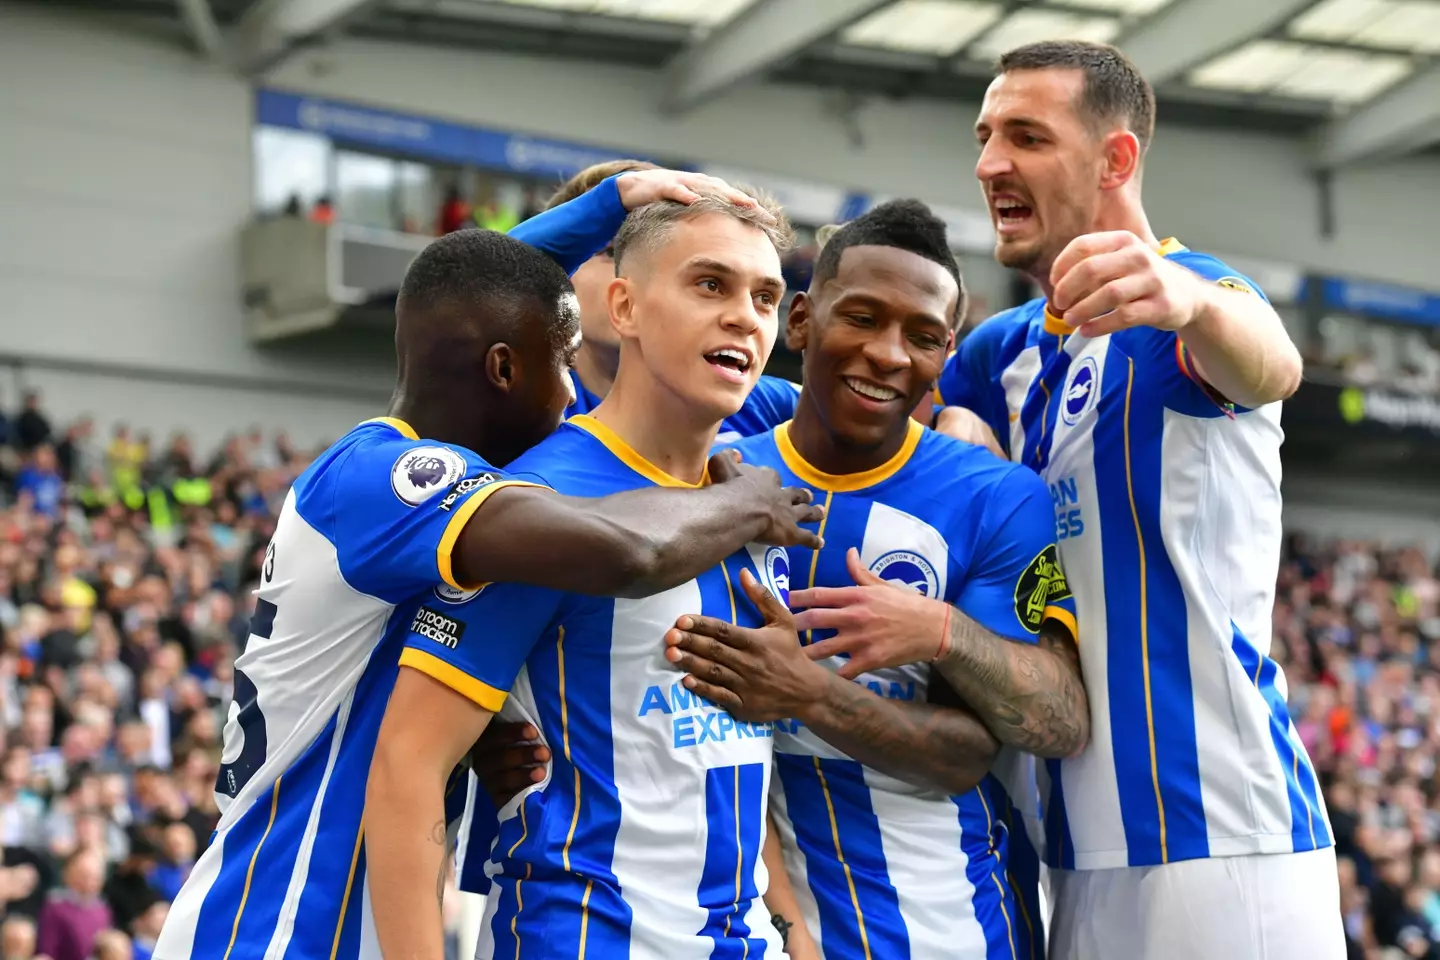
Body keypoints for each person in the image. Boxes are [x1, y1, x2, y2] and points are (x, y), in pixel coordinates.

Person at [152, 170, 825, 960]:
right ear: (504, 368)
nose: (573, 388)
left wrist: (612, 205)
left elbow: (465, 289)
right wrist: (751, 505)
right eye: (562, 360)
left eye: (765, 297)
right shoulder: (385, 479)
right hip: (274, 924)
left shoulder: (501, 475)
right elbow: (628, 548)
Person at [907, 40, 1331, 958]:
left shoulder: (1186, 306)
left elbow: (1273, 362)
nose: (989, 163)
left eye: (1026, 136)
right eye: (984, 137)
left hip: (1218, 844)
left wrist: (1194, 301)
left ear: (1116, 160)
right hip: (1062, 854)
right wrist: (957, 431)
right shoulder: (1003, 352)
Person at [364, 181, 802, 959]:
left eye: (765, 297)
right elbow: (406, 764)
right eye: (710, 284)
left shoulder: (749, 498)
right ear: (624, 308)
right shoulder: (536, 506)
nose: (745, 315)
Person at [661, 199, 1086, 959]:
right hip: (749, 931)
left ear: (944, 356)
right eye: (861, 317)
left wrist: (930, 639)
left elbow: (996, 744)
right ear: (800, 322)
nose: (890, 354)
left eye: (922, 336)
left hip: (947, 932)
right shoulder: (709, 477)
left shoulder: (994, 497)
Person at [539, 160, 803, 441]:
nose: (745, 317)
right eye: (613, 253)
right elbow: (493, 277)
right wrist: (612, 198)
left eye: (764, 297)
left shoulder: (754, 400)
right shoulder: (523, 402)